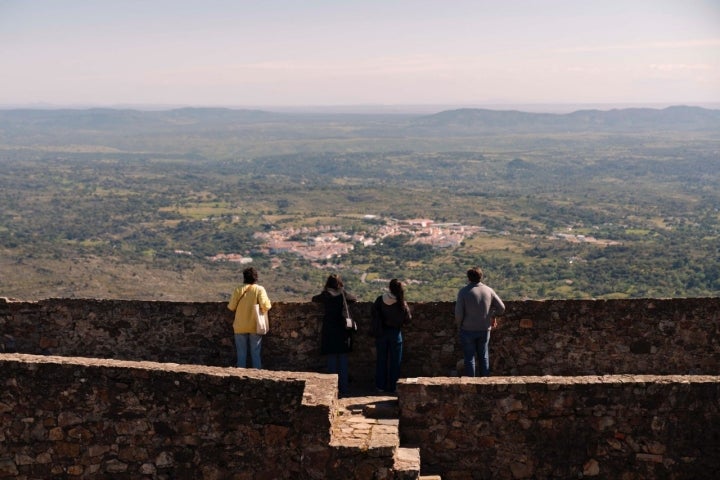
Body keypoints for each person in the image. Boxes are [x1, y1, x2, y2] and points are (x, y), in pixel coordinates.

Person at [312, 274, 357, 396]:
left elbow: (314, 299)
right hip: (342, 331)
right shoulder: (343, 294)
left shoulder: (325, 295)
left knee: (331, 360)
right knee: (343, 360)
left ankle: (332, 390)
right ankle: (344, 389)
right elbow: (354, 299)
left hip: (330, 330)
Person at [455, 266, 505, 377]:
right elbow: (501, 308)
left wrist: (459, 326)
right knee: (484, 356)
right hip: (484, 329)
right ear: (481, 277)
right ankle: (485, 382)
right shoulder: (488, 290)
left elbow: (459, 314)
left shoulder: (463, 292)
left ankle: (471, 383)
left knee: (469, 358)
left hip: (467, 329)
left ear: (468, 278)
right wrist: (491, 315)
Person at [371, 279, 411, 393]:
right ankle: (393, 386)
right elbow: (408, 319)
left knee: (381, 360)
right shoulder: (401, 302)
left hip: (382, 333)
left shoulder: (380, 299)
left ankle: (380, 386)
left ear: (389, 287)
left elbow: (373, 312)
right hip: (395, 333)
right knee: (395, 361)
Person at [227, 267, 272, 369]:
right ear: (256, 277)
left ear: (244, 277)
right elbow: (266, 306)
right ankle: (257, 375)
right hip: (255, 325)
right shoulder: (260, 289)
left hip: (240, 326)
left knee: (241, 354)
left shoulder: (238, 289)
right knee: (255, 353)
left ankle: (239, 376)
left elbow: (231, 307)